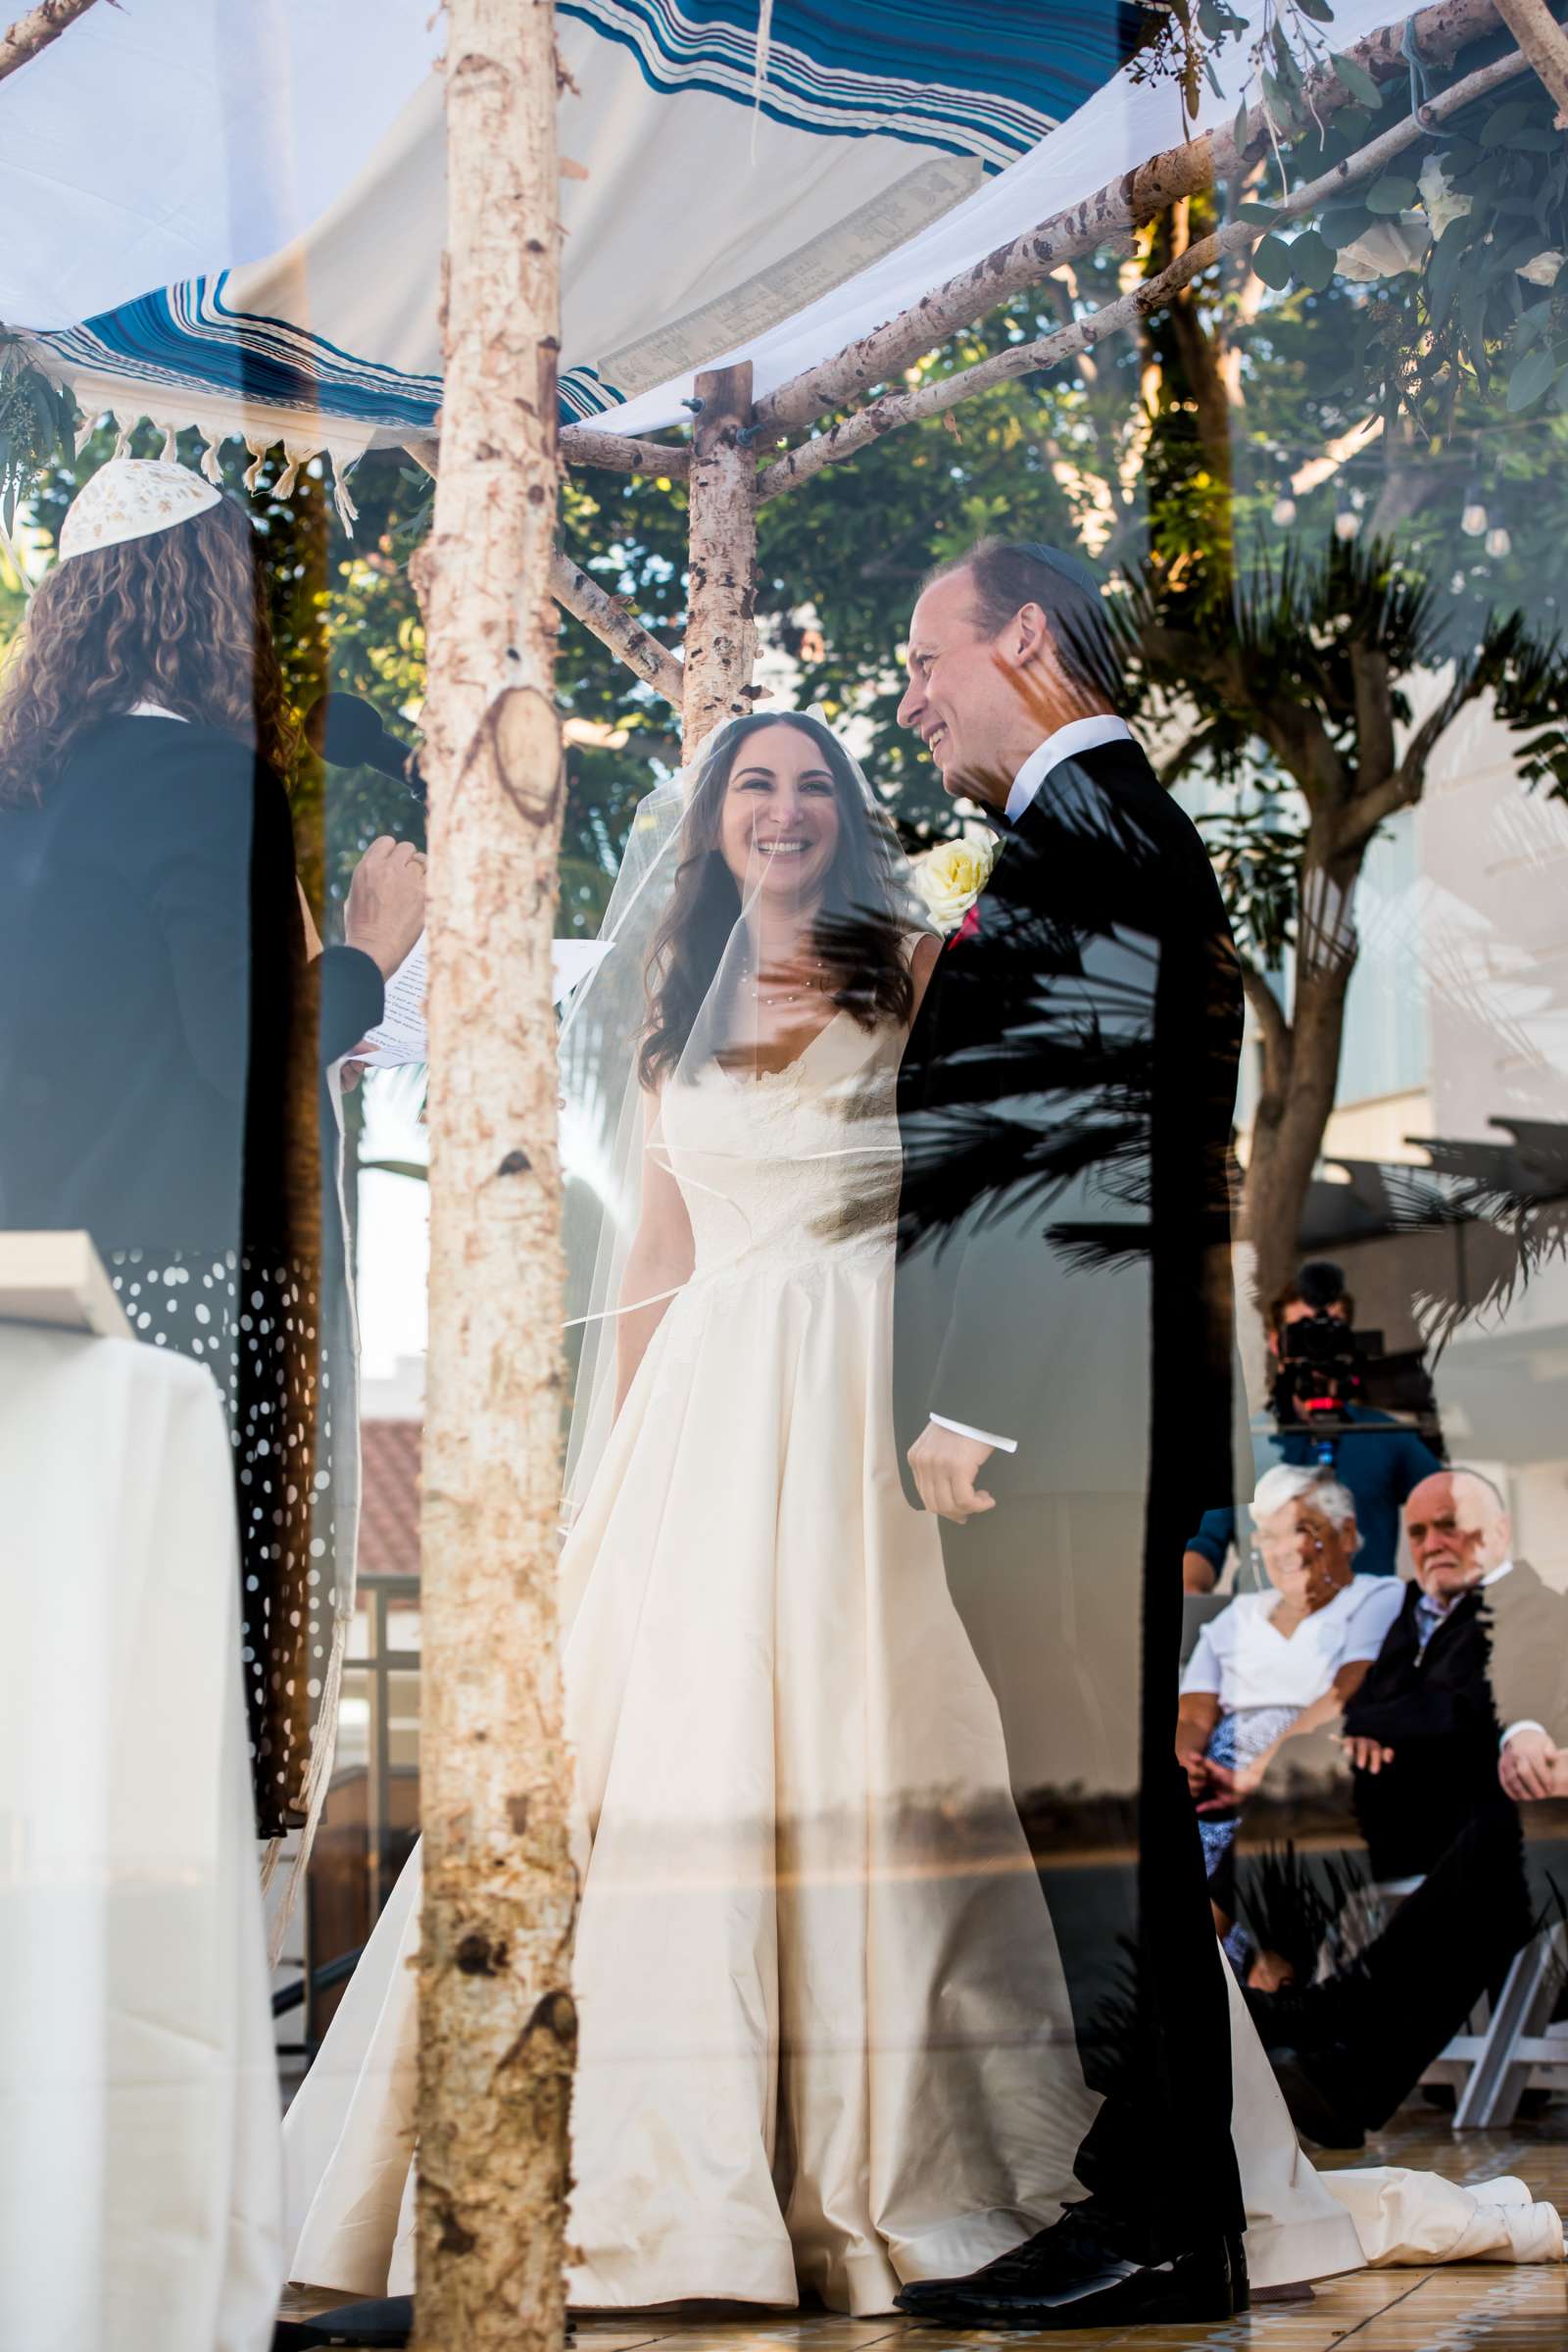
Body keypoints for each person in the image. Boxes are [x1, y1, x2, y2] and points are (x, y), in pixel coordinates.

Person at [281, 710, 1115, 2332]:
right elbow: (655, 1260)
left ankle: (881, 2160)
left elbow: (993, 1187)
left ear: (845, 816)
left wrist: (966, 1400)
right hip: (703, 1421)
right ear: (718, 823)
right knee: (665, 1757)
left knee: (873, 1739)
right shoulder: (676, 1013)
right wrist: (609, 1477)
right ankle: (629, 2176)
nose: (785, 811)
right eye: (757, 787)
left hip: (859, 1389)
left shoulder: (920, 975)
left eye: (811, 786)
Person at [885, 537, 1254, 2328]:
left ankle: (1169, 2216)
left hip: (1057, 1436)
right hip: (1091, 1436)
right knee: (1089, 1828)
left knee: (1098, 1830)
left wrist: (969, 1405)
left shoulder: (1095, 835)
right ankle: (1154, 2189)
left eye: (924, 655)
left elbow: (1081, 1165)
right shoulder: (1095, 835)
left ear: (1026, 638)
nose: (909, 692)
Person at [0, 456, 425, 1838]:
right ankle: (199, 2026)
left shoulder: (25, 797)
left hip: (33, 1299)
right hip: (195, 1296)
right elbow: (247, 1054)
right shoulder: (200, 780)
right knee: (210, 1699)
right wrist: (367, 952)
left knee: (66, 1679)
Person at [1248, 1468, 1568, 2147]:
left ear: (1500, 1532)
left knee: (1503, 1848)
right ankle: (1266, 2007)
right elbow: (1362, 1708)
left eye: (1450, 1524)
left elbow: (1475, 1710)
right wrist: (1363, 1731)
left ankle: (1326, 2033)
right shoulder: (1405, 1617)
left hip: (1485, 1828)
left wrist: (1380, 1730)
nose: (1432, 1543)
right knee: (1260, 1817)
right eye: (1419, 1531)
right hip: (1414, 1826)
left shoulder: (1533, 1608)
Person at [1177, 1465, 1403, 1963]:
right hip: (1225, 1780)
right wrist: (1187, 1764)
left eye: (1302, 1531)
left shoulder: (1377, 1595)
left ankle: (1268, 1978)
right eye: (1271, 1536)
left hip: (1308, 1772)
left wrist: (1264, 1764)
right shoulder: (1236, 1615)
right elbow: (1194, 1712)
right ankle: (1246, 1980)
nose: (1285, 1551)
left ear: (1347, 1536)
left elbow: (1349, 1688)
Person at [1183, 1262, 1443, 1590]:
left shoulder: (1387, 1436)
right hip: (1266, 1630)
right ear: (1276, 1343)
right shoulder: (1242, 1443)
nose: (1318, 1344)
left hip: (1366, 1631)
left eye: (1331, 1331)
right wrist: (1189, 1602)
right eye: (1303, 1332)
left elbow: (1450, 1513)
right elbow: (1202, 1545)